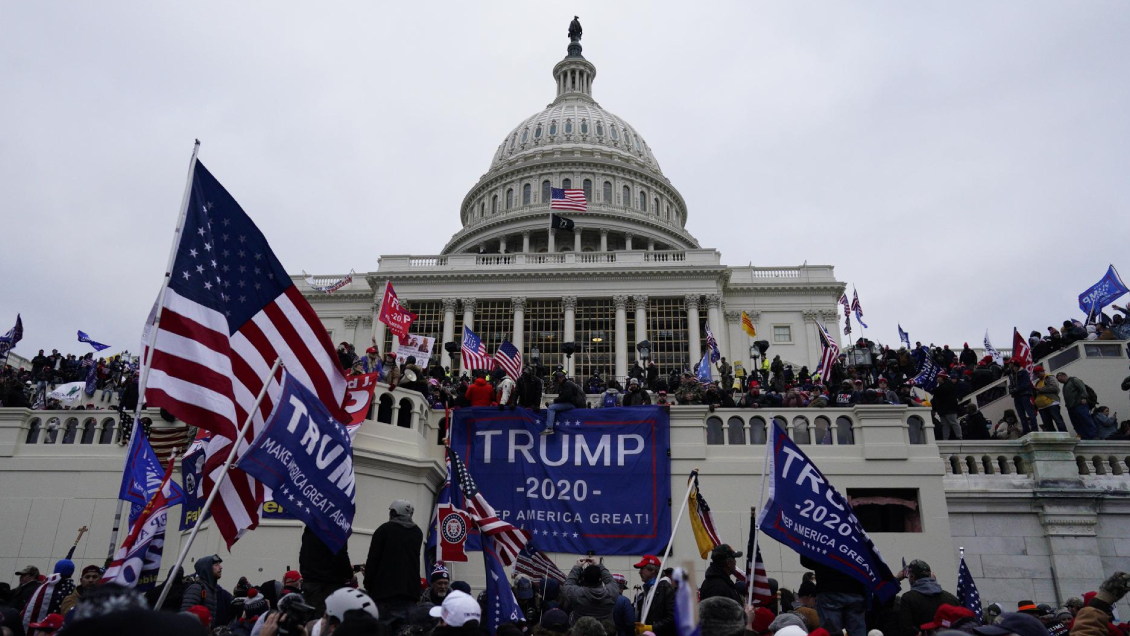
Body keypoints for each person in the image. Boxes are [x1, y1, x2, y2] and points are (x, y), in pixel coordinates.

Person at [365, 499, 423, 622]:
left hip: (384, 594)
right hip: (409, 594)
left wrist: (368, 584)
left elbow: (373, 560)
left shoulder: (384, 530)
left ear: (394, 513)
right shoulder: (417, 532)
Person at [800, 553, 867, 636]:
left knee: (831, 632)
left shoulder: (823, 539)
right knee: (857, 631)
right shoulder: (856, 539)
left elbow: (806, 560)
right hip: (855, 588)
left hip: (829, 588)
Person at [299, 525, 353, 615]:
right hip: (328, 585)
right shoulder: (337, 532)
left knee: (309, 617)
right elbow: (341, 556)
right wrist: (349, 574)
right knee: (325, 619)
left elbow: (303, 556)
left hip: (309, 581)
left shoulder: (309, 530)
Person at [897, 560, 958, 636]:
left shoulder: (908, 598)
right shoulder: (951, 598)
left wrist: (896, 579)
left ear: (912, 577)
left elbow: (906, 628)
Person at [562, 557, 620, 624]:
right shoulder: (611, 593)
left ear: (583, 579)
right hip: (604, 632)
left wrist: (577, 567)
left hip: (581, 632)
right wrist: (599, 565)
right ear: (600, 579)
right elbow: (611, 580)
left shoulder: (577, 594)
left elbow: (567, 585)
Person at [633, 555, 674, 636]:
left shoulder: (665, 588)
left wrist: (651, 628)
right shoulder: (645, 591)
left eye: (642, 569)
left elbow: (672, 618)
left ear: (653, 570)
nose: (640, 572)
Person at [180, 555, 226, 620]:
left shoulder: (212, 590)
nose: (221, 567)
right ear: (207, 568)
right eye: (216, 565)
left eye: (219, 564)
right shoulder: (196, 588)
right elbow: (184, 617)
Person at [1057, 372, 1099, 439]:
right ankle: (1084, 436)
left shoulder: (1074, 380)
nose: (1060, 381)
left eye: (1060, 379)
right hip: (1071, 407)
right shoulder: (1065, 385)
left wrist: (1084, 397)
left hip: (1079, 404)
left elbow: (1082, 388)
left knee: (1086, 420)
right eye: (1059, 381)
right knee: (1076, 423)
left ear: (1064, 376)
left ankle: (1094, 435)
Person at [544, 371, 585, 436]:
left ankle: (549, 428)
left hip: (572, 404)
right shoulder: (565, 384)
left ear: (560, 378)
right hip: (571, 403)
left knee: (551, 408)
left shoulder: (567, 385)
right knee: (552, 406)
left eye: (557, 379)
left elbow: (566, 398)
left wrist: (553, 401)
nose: (556, 381)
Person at [1033, 366, 1068, 433]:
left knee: (1058, 420)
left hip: (1052, 403)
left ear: (1043, 371)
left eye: (1038, 373)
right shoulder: (1038, 382)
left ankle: (1064, 434)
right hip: (1042, 407)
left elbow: (1054, 388)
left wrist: (1039, 389)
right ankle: (1053, 438)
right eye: (1036, 374)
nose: (1037, 375)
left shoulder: (1050, 377)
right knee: (1047, 425)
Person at [1007, 361, 1038, 435]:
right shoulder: (1011, 375)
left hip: (1024, 394)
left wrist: (1015, 389)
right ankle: (1026, 430)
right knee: (1021, 415)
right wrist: (1011, 389)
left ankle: (1034, 429)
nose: (1009, 366)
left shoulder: (1023, 372)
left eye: (1011, 364)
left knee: (1030, 412)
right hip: (1017, 396)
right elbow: (1011, 385)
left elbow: (1026, 384)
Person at [931, 372, 962, 440]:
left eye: (938, 378)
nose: (937, 379)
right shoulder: (946, 386)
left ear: (942, 378)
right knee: (945, 424)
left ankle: (959, 436)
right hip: (944, 410)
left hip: (948, 409)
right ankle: (946, 438)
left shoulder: (947, 386)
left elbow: (940, 392)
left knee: (952, 423)